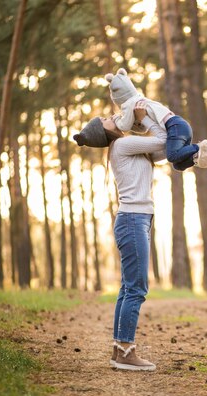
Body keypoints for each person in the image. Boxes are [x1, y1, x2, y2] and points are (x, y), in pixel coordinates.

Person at [73, 113, 166, 371]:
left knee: (128, 288)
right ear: (106, 132)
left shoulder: (127, 145)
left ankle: (120, 350)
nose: (112, 115)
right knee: (136, 288)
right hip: (133, 219)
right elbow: (163, 140)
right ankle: (126, 352)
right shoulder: (124, 145)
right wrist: (144, 117)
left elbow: (164, 150)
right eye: (106, 119)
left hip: (137, 219)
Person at [105, 68, 207, 171]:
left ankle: (199, 147)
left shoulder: (129, 104)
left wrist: (117, 119)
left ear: (117, 97)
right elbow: (143, 129)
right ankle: (197, 157)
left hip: (174, 127)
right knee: (178, 165)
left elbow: (124, 126)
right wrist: (138, 120)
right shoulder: (138, 100)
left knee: (172, 156)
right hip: (180, 126)